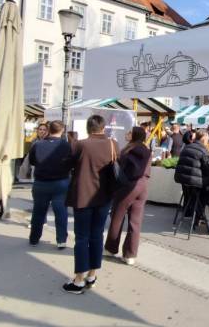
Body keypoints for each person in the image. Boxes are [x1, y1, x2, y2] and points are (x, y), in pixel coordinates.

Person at [63, 115, 117, 295]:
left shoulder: (80, 145)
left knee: (82, 237)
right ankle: (92, 275)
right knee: (97, 235)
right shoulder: (113, 144)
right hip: (104, 197)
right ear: (103, 128)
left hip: (83, 196)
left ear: (88, 128)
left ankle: (78, 280)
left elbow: (67, 165)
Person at [104, 126, 152, 265]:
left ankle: (111, 248)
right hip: (143, 186)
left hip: (128, 186)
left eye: (130, 132)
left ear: (134, 135)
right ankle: (130, 255)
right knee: (135, 222)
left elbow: (121, 170)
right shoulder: (147, 150)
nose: (127, 133)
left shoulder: (128, 150)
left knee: (117, 217)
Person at [27, 120, 72, 249]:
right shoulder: (66, 146)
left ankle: (34, 238)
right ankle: (61, 240)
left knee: (38, 212)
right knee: (61, 212)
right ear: (62, 130)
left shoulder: (37, 144)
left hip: (41, 182)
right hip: (60, 182)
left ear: (49, 130)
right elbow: (71, 163)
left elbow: (32, 161)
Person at [174, 130, 209, 225]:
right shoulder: (203, 150)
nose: (208, 141)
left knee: (200, 188)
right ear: (203, 139)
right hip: (192, 181)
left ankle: (197, 208)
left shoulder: (187, 146)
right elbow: (206, 171)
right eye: (207, 139)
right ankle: (201, 209)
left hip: (182, 179)